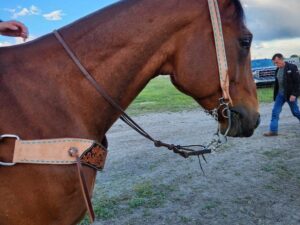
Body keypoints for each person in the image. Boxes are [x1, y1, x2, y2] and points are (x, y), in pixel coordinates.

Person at [263, 53, 300, 136]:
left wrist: (294, 94)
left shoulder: (292, 67)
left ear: (281, 59)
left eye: (277, 62)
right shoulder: (277, 70)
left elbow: (297, 83)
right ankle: (273, 131)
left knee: (296, 112)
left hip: (290, 95)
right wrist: (276, 95)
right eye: (274, 63)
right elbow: (277, 84)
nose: (276, 64)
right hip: (280, 95)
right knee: (275, 112)